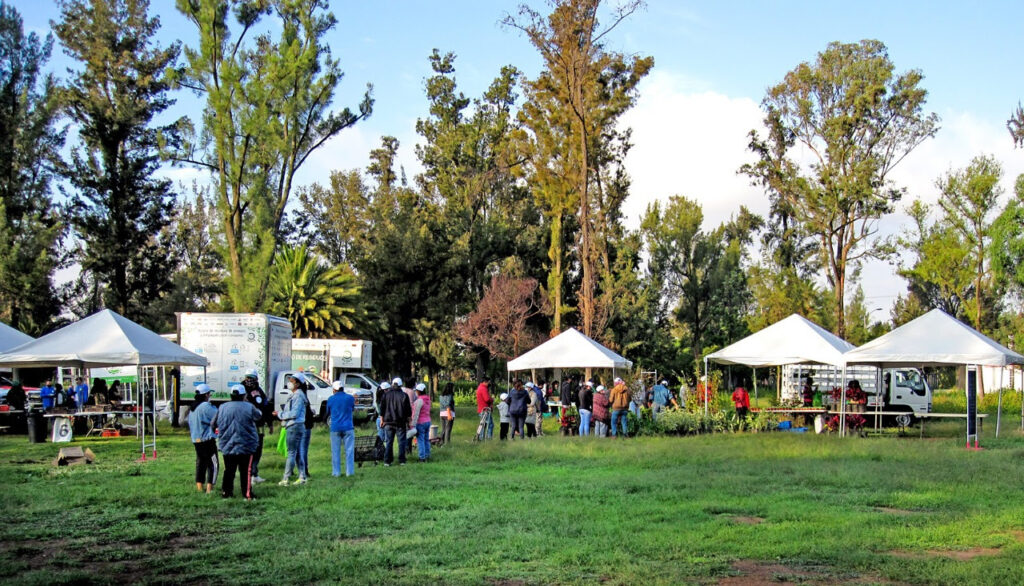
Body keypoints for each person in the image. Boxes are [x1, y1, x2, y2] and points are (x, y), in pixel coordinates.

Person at [211, 385, 262, 500]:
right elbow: (258, 416)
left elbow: (213, 424)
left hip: (227, 445)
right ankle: (247, 494)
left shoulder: (222, 407)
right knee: (246, 471)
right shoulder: (249, 407)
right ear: (244, 395)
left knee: (229, 470)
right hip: (246, 444)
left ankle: (226, 493)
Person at [277, 374, 309, 485]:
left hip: (294, 426)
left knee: (291, 453)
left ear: (298, 383)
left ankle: (286, 478)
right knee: (298, 453)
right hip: (297, 426)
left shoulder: (298, 396)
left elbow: (294, 413)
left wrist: (280, 414)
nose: (289, 382)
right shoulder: (296, 395)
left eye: (292, 381)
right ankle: (302, 477)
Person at [188, 384, 218, 494]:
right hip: (207, 439)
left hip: (196, 440)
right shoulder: (205, 406)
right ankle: (209, 489)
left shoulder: (193, 407)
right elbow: (217, 416)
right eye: (209, 394)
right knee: (213, 464)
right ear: (206, 394)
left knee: (201, 464)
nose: (210, 395)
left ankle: (199, 488)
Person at [242, 369, 271, 483]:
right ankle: (248, 474)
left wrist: (269, 422)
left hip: (259, 424)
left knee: (258, 448)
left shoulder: (259, 390)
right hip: (246, 425)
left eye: (251, 378)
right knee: (248, 449)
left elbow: (266, 406)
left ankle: (254, 473)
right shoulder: (241, 389)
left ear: (256, 379)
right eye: (247, 377)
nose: (249, 380)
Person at [324, 380, 355, 477]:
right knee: (349, 451)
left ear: (334, 390)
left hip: (335, 427)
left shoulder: (331, 399)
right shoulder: (350, 398)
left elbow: (327, 412)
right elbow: (352, 408)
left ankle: (336, 472)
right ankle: (349, 472)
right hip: (348, 427)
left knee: (335, 451)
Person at [378, 376, 412, 466]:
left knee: (389, 442)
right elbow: (408, 410)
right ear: (401, 386)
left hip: (388, 422)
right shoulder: (404, 395)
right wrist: (409, 421)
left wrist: (382, 420)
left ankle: (387, 461)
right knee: (401, 442)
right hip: (400, 422)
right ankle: (402, 460)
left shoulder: (386, 395)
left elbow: (382, 409)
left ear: (392, 385)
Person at [298, 374, 315, 479]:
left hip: (302, 425)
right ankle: (304, 470)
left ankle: (303, 470)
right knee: (303, 449)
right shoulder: (304, 396)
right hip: (307, 425)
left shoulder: (299, 396)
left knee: (301, 449)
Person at [412, 383, 432, 462]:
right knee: (426, 440)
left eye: (416, 391)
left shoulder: (419, 400)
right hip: (428, 421)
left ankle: (422, 457)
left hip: (420, 422)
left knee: (420, 440)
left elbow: (415, 413)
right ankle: (427, 455)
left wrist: (413, 424)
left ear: (419, 391)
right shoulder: (428, 399)